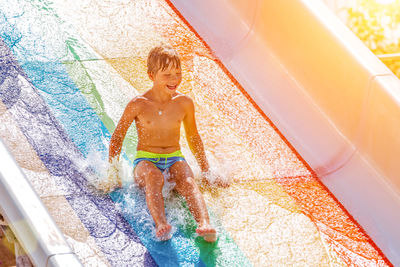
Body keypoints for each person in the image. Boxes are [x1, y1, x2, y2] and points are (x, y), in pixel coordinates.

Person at [105, 45, 228, 242]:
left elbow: (193, 137)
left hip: (174, 156)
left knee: (187, 180)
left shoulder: (184, 103)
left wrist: (205, 170)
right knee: (154, 178)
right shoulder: (139, 104)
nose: (174, 80)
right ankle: (161, 223)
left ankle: (204, 223)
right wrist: (113, 173)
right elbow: (118, 137)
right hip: (146, 160)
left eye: (178, 73)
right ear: (151, 75)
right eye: (167, 74)